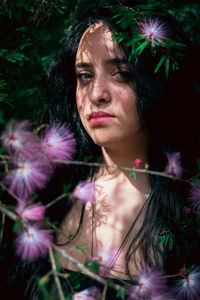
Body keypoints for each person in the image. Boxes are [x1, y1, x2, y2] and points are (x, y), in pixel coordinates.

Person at [1, 3, 200, 300]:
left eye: (120, 73)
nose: (96, 95)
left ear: (156, 80)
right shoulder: (38, 194)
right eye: (84, 76)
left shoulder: (189, 214)